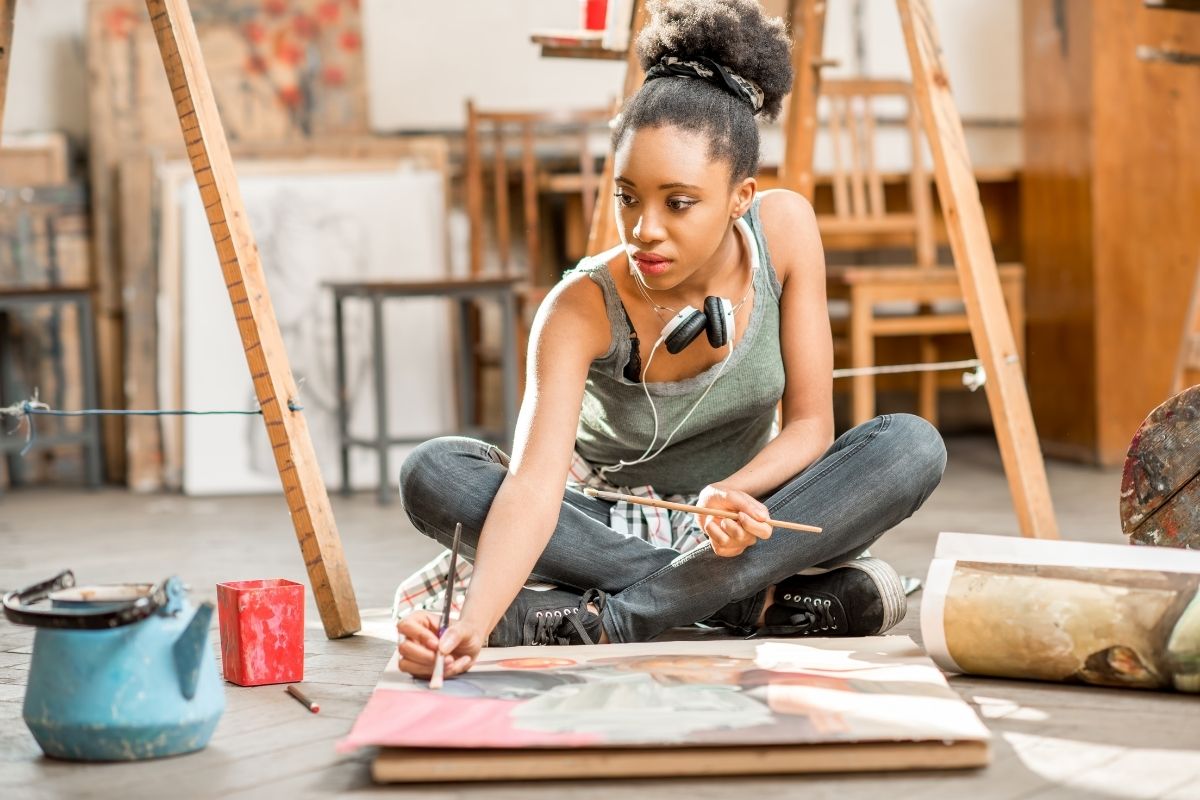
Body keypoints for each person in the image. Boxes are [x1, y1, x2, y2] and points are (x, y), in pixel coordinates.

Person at [394, 0, 947, 680]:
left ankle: (614, 619)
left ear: (740, 196)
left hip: (748, 514)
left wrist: (729, 495)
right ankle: (742, 604)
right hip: (601, 523)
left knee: (910, 447)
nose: (644, 228)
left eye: (678, 202)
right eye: (629, 197)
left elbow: (809, 428)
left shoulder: (788, 230)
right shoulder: (579, 308)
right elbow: (536, 488)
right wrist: (474, 626)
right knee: (433, 474)